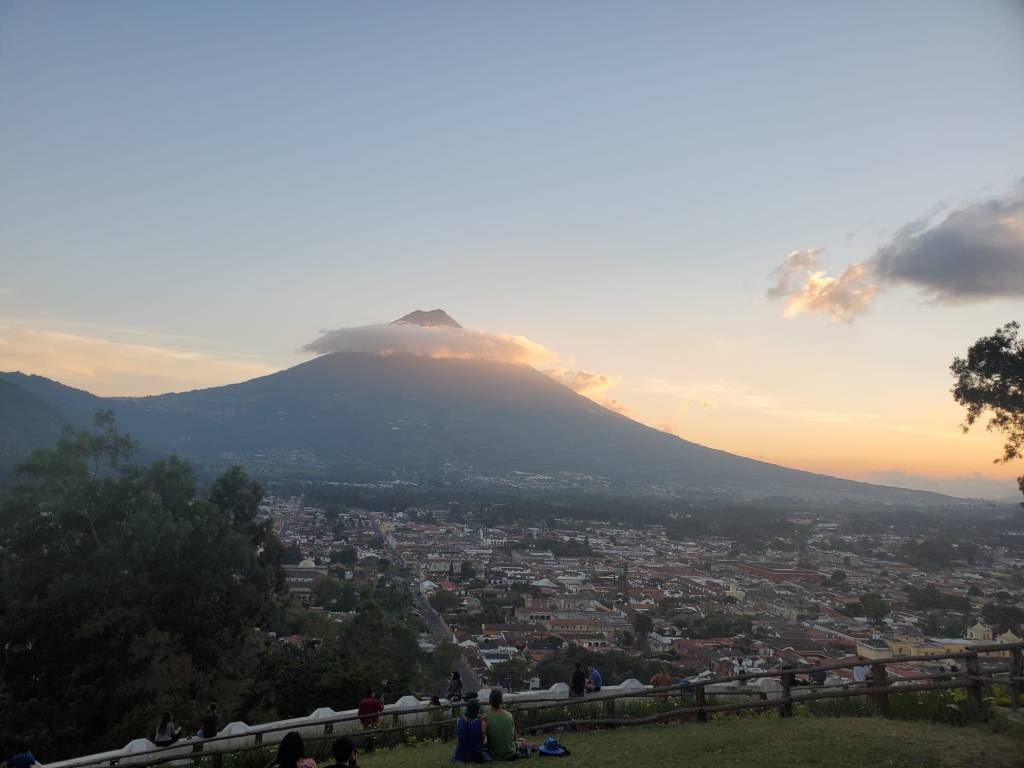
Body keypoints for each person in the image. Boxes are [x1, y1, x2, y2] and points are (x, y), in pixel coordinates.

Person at [482, 688, 516, 761]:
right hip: (511, 752)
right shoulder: (509, 715)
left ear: (490, 701)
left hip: (495, 755)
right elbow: (514, 737)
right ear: (501, 700)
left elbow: (481, 740)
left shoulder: (486, 718)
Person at [451, 697, 486, 763]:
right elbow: (482, 741)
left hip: (460, 756)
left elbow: (458, 738)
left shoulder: (459, 721)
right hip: (475, 757)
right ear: (478, 710)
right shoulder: (482, 723)